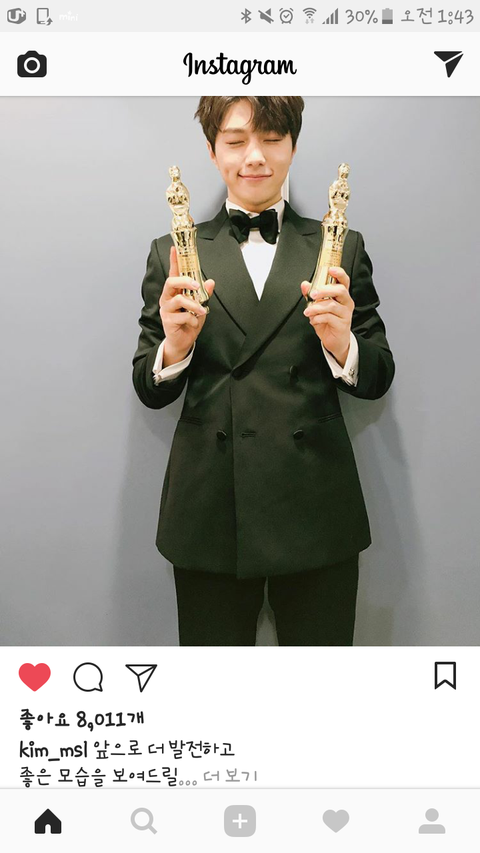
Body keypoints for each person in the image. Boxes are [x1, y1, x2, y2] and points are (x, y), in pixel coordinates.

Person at [132, 96, 395, 646]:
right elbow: (148, 388)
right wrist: (174, 348)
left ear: (293, 146)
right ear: (212, 151)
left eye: (272, 139)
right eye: (235, 141)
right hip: (209, 511)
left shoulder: (340, 246)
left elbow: (378, 377)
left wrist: (342, 344)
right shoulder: (171, 252)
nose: (255, 156)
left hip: (316, 505)